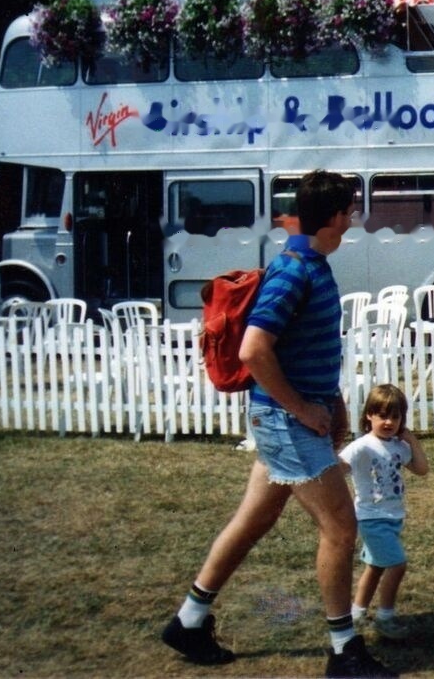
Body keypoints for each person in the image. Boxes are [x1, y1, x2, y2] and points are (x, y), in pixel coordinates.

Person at [162, 170, 393, 677]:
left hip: (292, 418)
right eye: (350, 212)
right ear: (334, 216)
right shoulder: (293, 270)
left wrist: (329, 402)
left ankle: (189, 620)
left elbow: (304, 347)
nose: (352, 219)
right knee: (340, 527)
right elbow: (254, 350)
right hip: (285, 423)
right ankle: (343, 652)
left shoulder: (313, 263)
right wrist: (301, 409)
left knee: (254, 520)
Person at [340, 384, 429, 642]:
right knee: (396, 565)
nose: (389, 422)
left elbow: (422, 469)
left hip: (393, 518)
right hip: (371, 518)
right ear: (369, 415)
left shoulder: (399, 446)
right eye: (382, 416)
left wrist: (410, 439)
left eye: (396, 416)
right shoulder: (362, 446)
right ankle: (385, 617)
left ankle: (357, 612)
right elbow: (340, 468)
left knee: (376, 566)